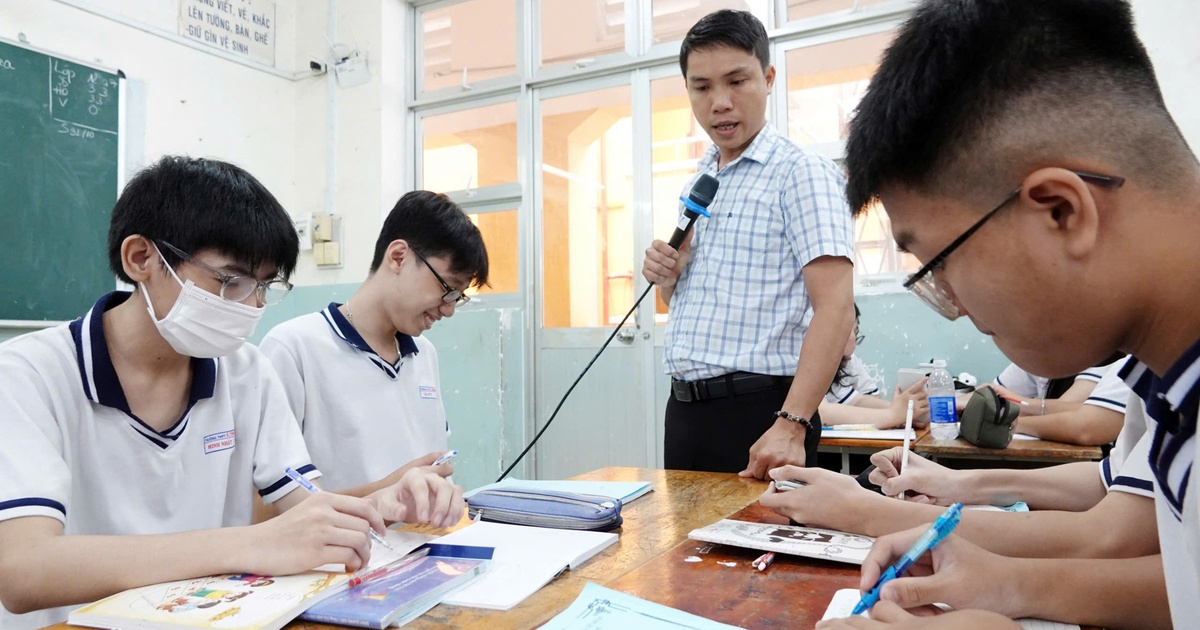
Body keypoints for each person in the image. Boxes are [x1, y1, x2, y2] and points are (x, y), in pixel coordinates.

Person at [819, 0, 1198, 626]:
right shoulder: (1164, 380)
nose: (953, 307)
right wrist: (1008, 583)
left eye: (938, 263)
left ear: (1060, 211)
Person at [0, 157, 464, 630]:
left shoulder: (246, 374)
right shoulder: (29, 376)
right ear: (141, 258)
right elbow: (21, 571)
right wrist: (249, 543)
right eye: (230, 281)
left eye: (264, 286)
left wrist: (383, 504)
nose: (251, 306)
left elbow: (305, 508)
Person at [641, 9, 855, 478]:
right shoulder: (701, 179)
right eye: (701, 87)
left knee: (759, 552)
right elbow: (684, 301)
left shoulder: (800, 173)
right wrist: (671, 278)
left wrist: (793, 424)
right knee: (686, 551)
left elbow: (836, 309)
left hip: (762, 414)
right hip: (686, 410)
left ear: (769, 77)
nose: (720, 102)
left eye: (736, 81)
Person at [260, 191, 488, 497]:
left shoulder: (424, 355)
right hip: (340, 544)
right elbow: (266, 505)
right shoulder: (293, 348)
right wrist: (391, 492)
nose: (448, 309)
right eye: (447, 289)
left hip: (425, 541)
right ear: (398, 257)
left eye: (458, 298)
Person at [821, 306, 929, 430]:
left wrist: (905, 411)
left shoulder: (842, 362)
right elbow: (822, 413)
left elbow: (856, 400)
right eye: (855, 332)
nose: (855, 342)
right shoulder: (807, 359)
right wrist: (893, 415)